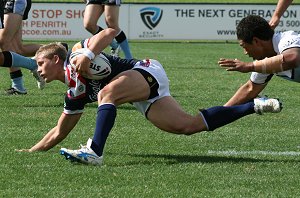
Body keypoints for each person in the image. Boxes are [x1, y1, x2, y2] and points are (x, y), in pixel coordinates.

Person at [18, 28, 282, 166]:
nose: (37, 69)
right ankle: (253, 106)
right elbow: (59, 132)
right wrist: (30, 152)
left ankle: (94, 152)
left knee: (107, 93)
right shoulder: (73, 93)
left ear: (55, 59)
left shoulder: (76, 56)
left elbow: (109, 32)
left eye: (39, 63)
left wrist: (88, 54)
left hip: (145, 70)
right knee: (188, 126)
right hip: (140, 92)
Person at [218, 15, 300, 106]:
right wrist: (220, 112)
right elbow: (250, 89)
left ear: (256, 41)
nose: (245, 52)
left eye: (244, 46)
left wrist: (249, 66)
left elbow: (292, 58)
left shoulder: (287, 39)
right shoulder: (265, 61)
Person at [0, 0, 45, 95]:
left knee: (4, 42)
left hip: (14, 1)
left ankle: (19, 84)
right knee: (17, 48)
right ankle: (60, 48)